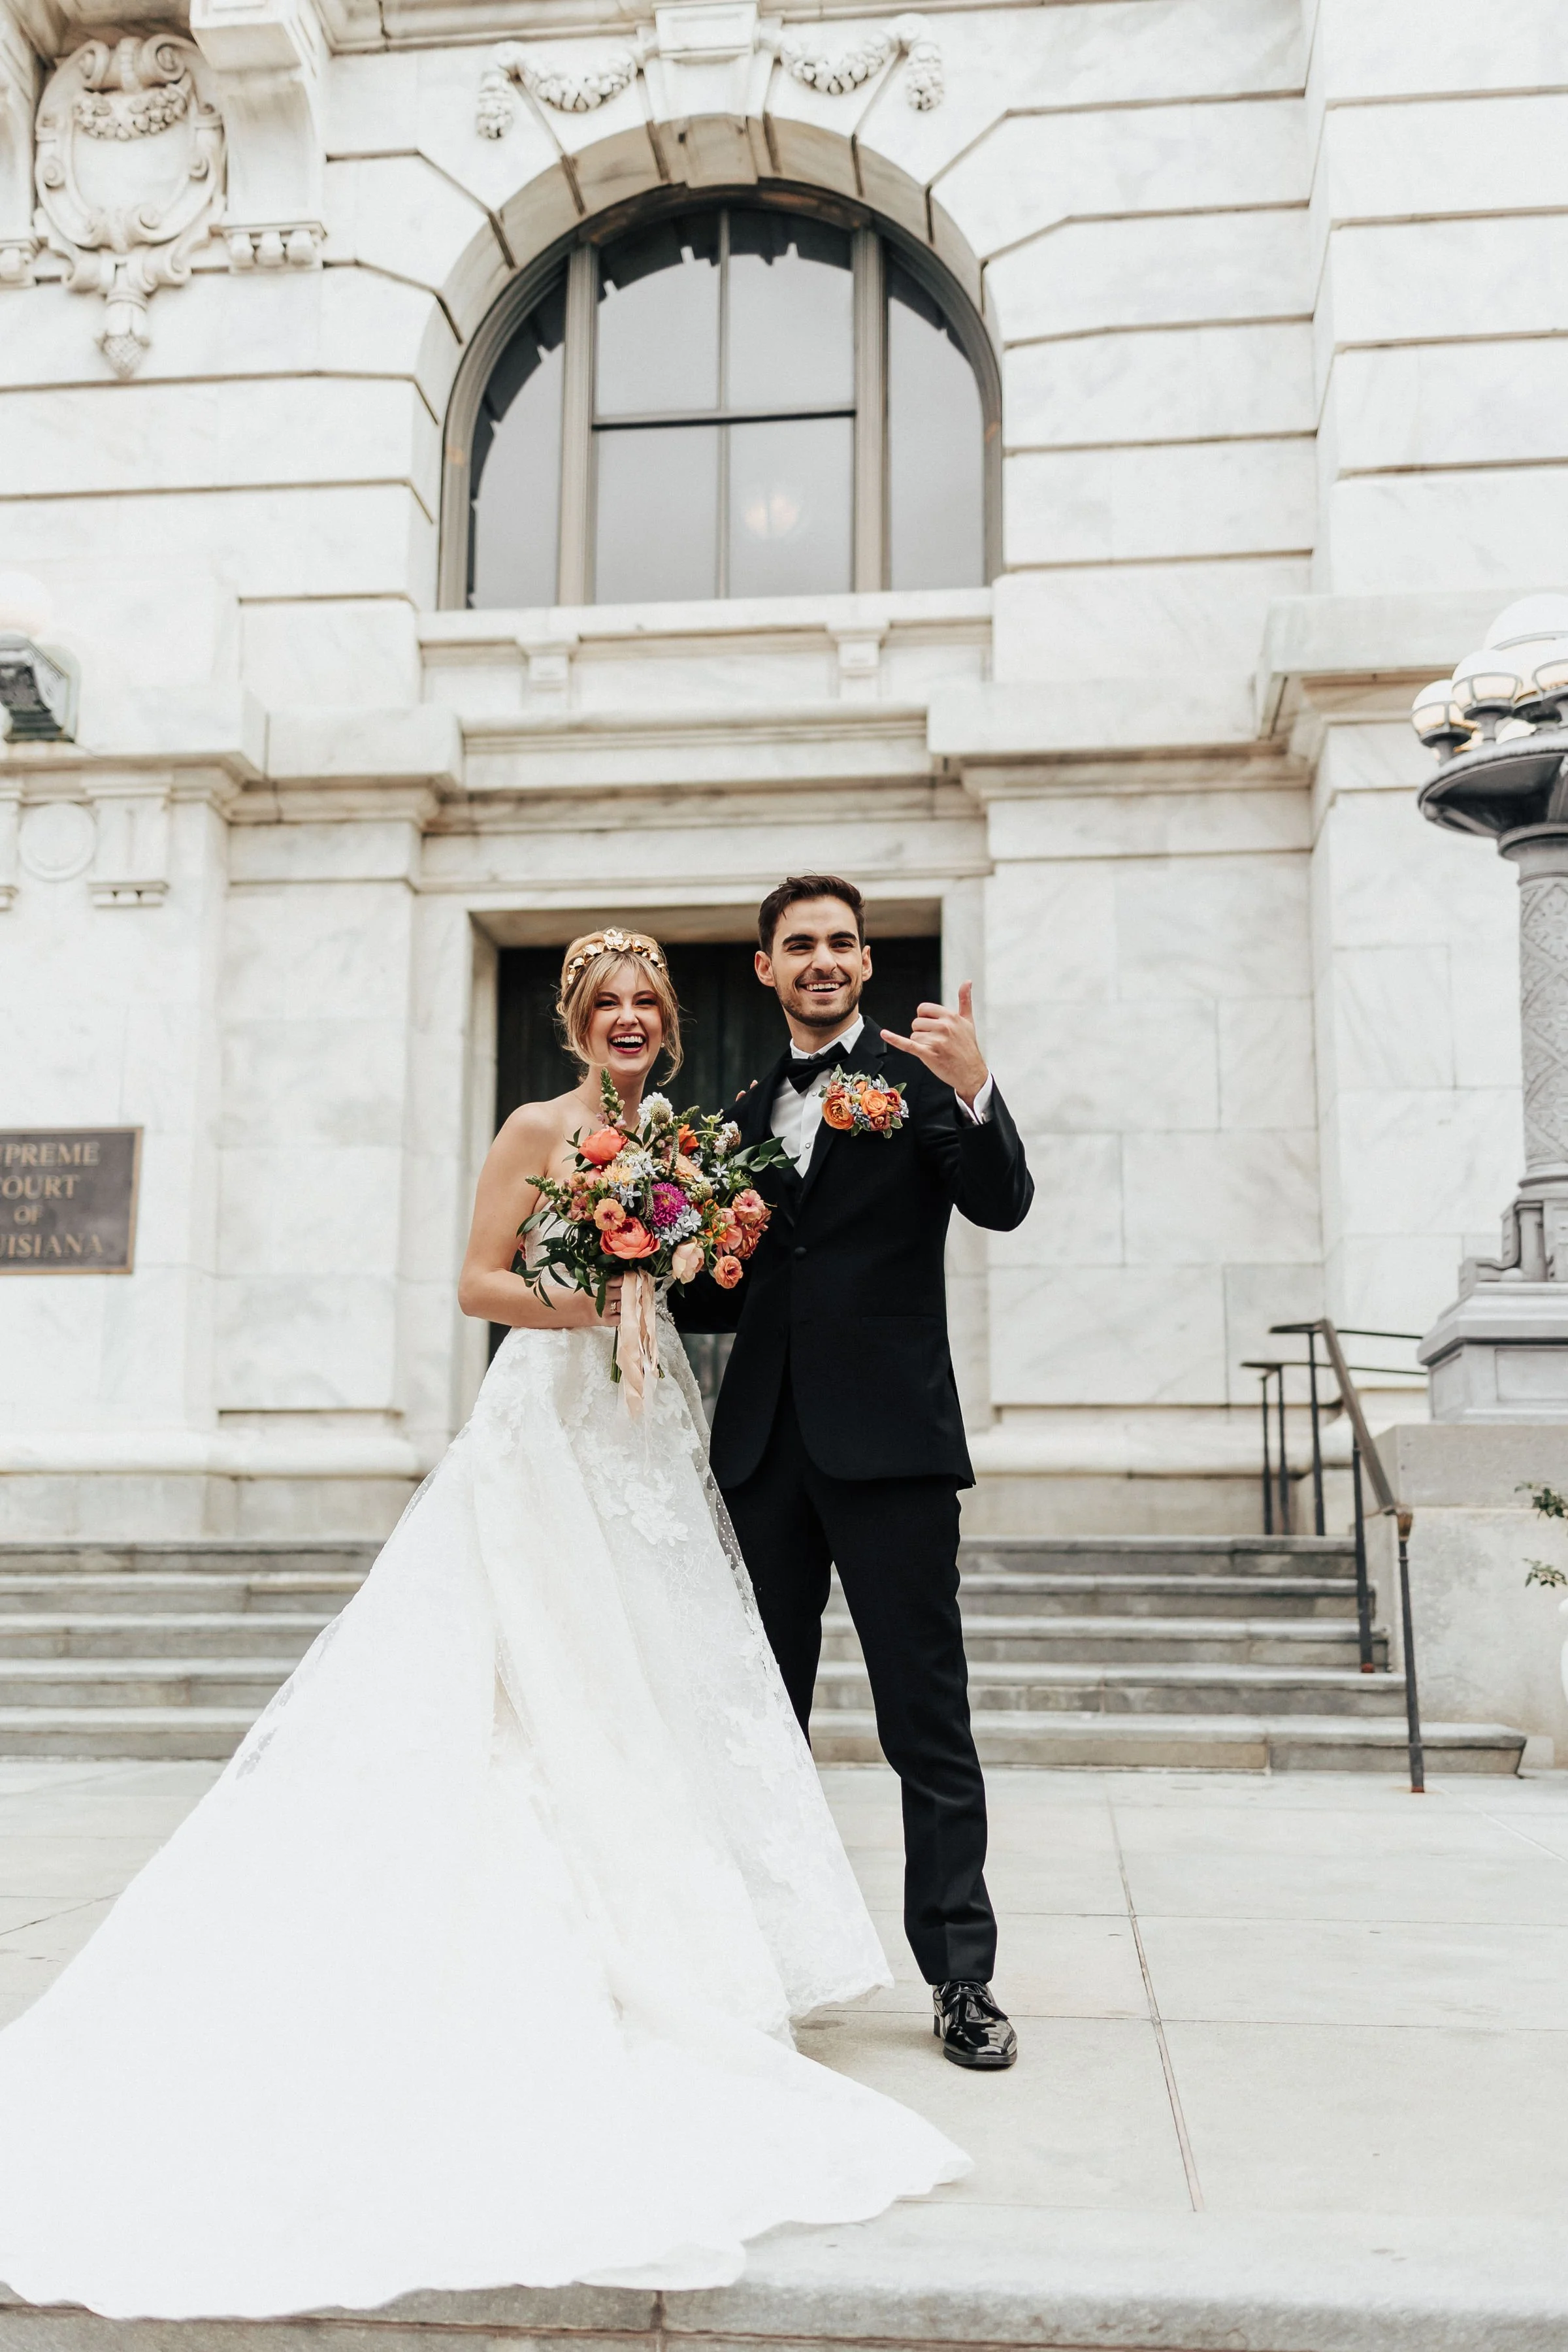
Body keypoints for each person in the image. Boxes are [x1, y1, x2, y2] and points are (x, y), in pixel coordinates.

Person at [0, 928, 964, 2325]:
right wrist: (602, 1292)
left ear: (669, 1023)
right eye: (605, 1006)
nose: (627, 1020)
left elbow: (721, 1271)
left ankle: (674, 1932)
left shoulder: (677, 1135)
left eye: (645, 1005)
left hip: (644, 1433)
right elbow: (477, 1283)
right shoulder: (538, 1124)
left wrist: (675, 1262)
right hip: (549, 1422)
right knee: (533, 1665)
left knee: (639, 1674)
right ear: (573, 1020)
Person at [673, 877, 1034, 2070]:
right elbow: (726, 1291)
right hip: (765, 1453)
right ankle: (759, 1965)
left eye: (840, 943)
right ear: (765, 968)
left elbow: (1002, 1203)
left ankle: (962, 1979)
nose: (821, 960)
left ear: (867, 962)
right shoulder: (735, 1112)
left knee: (925, 1726)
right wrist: (647, 1240)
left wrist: (975, 1085)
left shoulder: (922, 1084)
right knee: (760, 1722)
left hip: (893, 1451)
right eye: (798, 946)